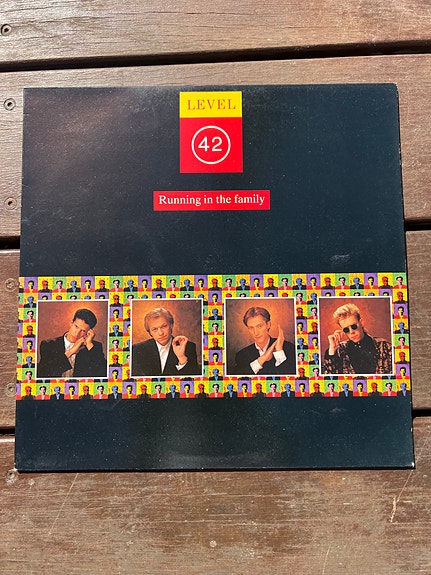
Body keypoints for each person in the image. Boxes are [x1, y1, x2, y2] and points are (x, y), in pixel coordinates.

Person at [323, 303, 392, 374]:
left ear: (361, 322)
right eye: (346, 329)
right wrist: (332, 350)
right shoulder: (340, 351)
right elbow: (329, 378)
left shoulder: (384, 346)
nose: (351, 332)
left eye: (354, 326)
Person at [37, 308, 107, 378]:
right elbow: (43, 374)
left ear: (89, 332)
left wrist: (89, 344)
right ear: (71, 323)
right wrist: (70, 352)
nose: (77, 333)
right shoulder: (48, 345)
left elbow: (103, 374)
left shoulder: (94, 347)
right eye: (76, 326)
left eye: (83, 331)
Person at [132, 307, 199, 376]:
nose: (160, 333)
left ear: (171, 325)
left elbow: (193, 379)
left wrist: (181, 358)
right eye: (155, 329)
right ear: (150, 332)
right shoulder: (136, 350)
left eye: (164, 326)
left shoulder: (189, 347)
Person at [232, 306, 295, 375]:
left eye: (259, 326)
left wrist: (279, 351)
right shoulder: (242, 355)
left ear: (268, 325)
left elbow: (291, 378)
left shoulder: (289, 348)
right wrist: (261, 360)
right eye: (251, 328)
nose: (256, 332)